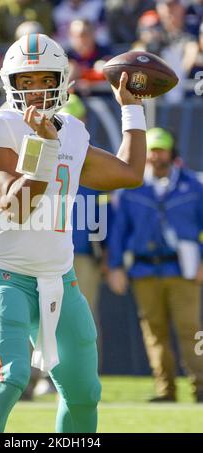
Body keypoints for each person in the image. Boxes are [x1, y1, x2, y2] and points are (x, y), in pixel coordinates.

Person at [0, 33, 147, 433]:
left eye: (44, 79)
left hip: (60, 280)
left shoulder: (74, 130)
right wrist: (44, 149)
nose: (35, 91)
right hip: (2, 274)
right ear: (9, 83)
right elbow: (18, 204)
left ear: (62, 80)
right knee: (6, 381)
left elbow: (130, 174)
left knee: (84, 394)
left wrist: (131, 111)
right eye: (25, 82)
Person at [107, 127, 203, 403]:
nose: (155, 156)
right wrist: (115, 266)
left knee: (192, 330)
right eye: (150, 151)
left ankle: (201, 387)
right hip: (144, 269)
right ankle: (166, 390)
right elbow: (119, 233)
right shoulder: (131, 189)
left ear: (172, 153)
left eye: (160, 150)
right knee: (154, 332)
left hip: (184, 270)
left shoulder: (194, 186)